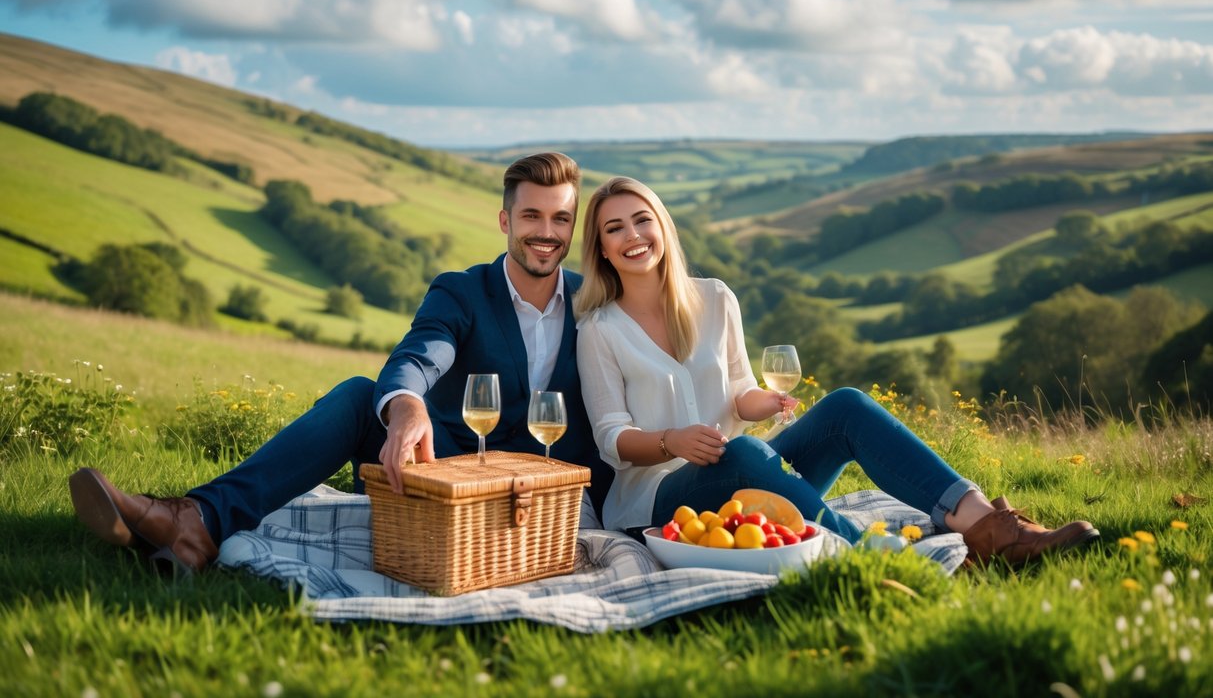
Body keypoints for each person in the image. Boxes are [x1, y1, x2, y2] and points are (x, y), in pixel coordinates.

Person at [70, 152, 612, 573]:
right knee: (360, 394)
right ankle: (194, 521)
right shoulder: (463, 292)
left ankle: (185, 530)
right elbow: (419, 356)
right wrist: (404, 405)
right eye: (531, 215)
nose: (546, 232)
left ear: (573, 226)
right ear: (504, 219)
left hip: (548, 494)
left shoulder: (594, 302)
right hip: (444, 469)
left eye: (560, 218)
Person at [573, 176, 1099, 566]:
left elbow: (738, 393)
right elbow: (610, 438)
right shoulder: (600, 330)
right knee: (744, 451)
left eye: (643, 220)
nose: (633, 235)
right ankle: (877, 559)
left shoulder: (714, 298)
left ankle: (987, 526)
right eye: (614, 228)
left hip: (746, 472)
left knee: (844, 404)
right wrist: (672, 441)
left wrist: (768, 403)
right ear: (601, 248)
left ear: (662, 226)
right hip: (660, 506)